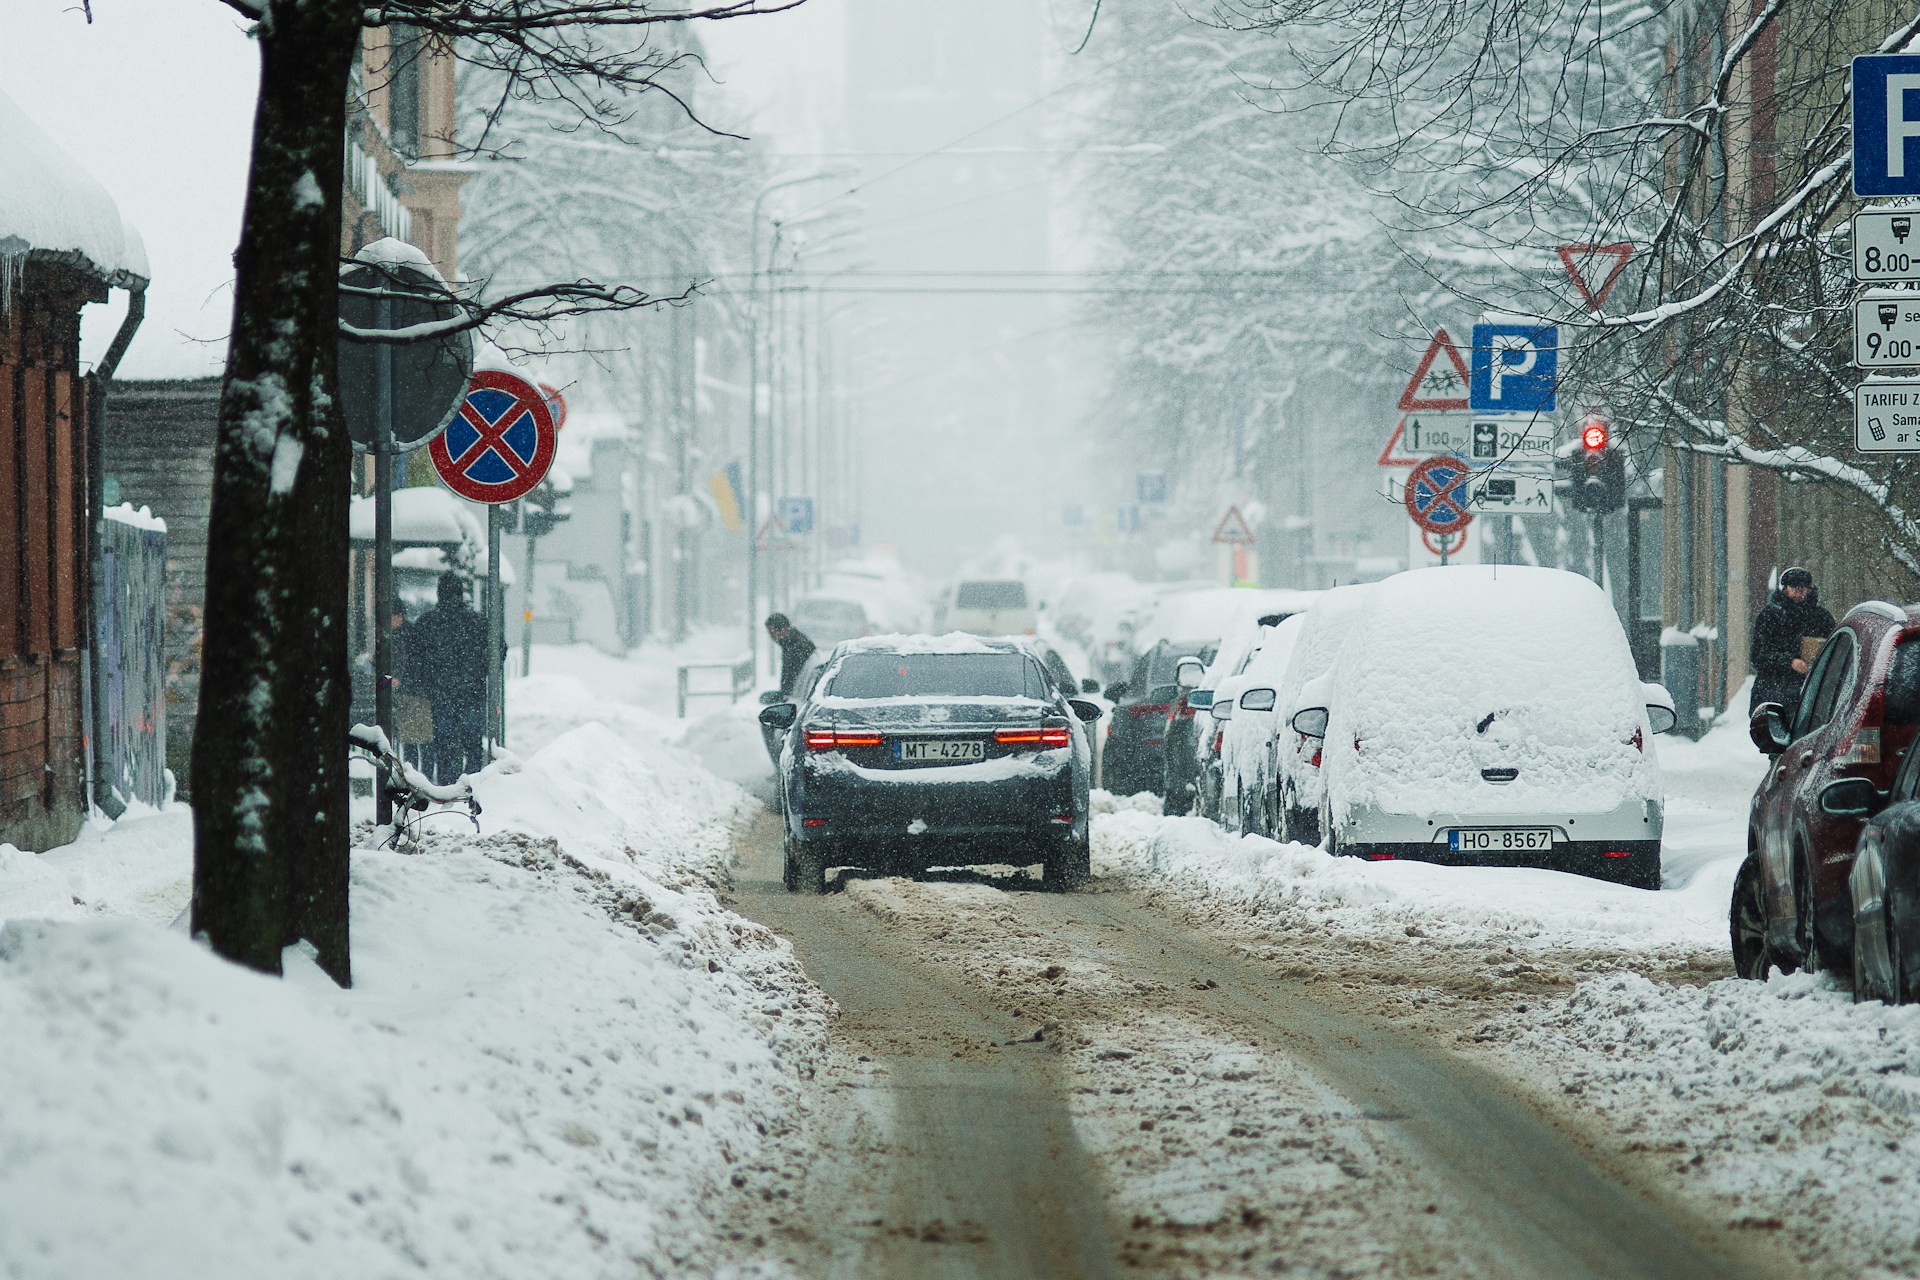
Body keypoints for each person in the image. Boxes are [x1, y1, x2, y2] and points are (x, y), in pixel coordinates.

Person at [403, 574, 490, 783]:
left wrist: (428, 681)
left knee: (446, 748)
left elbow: (414, 661)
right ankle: (473, 790)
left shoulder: (427, 623)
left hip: (440, 698)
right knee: (473, 748)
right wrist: (479, 671)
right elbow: (498, 651)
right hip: (472, 695)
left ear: (439, 593)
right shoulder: (479, 623)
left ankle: (448, 793)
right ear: (461, 593)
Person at [1750, 567, 1837, 715]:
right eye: (1794, 589)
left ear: (1809, 590)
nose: (1798, 593)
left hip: (1808, 696)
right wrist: (1789, 662)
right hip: (1774, 694)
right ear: (1785, 588)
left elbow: (1834, 650)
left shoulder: (1821, 618)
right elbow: (1758, 656)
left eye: (1802, 589)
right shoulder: (1769, 617)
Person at [765, 612, 817, 697]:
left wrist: (784, 695)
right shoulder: (794, 643)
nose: (771, 637)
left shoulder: (795, 648)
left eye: (772, 633)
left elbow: (791, 676)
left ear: (783, 630)